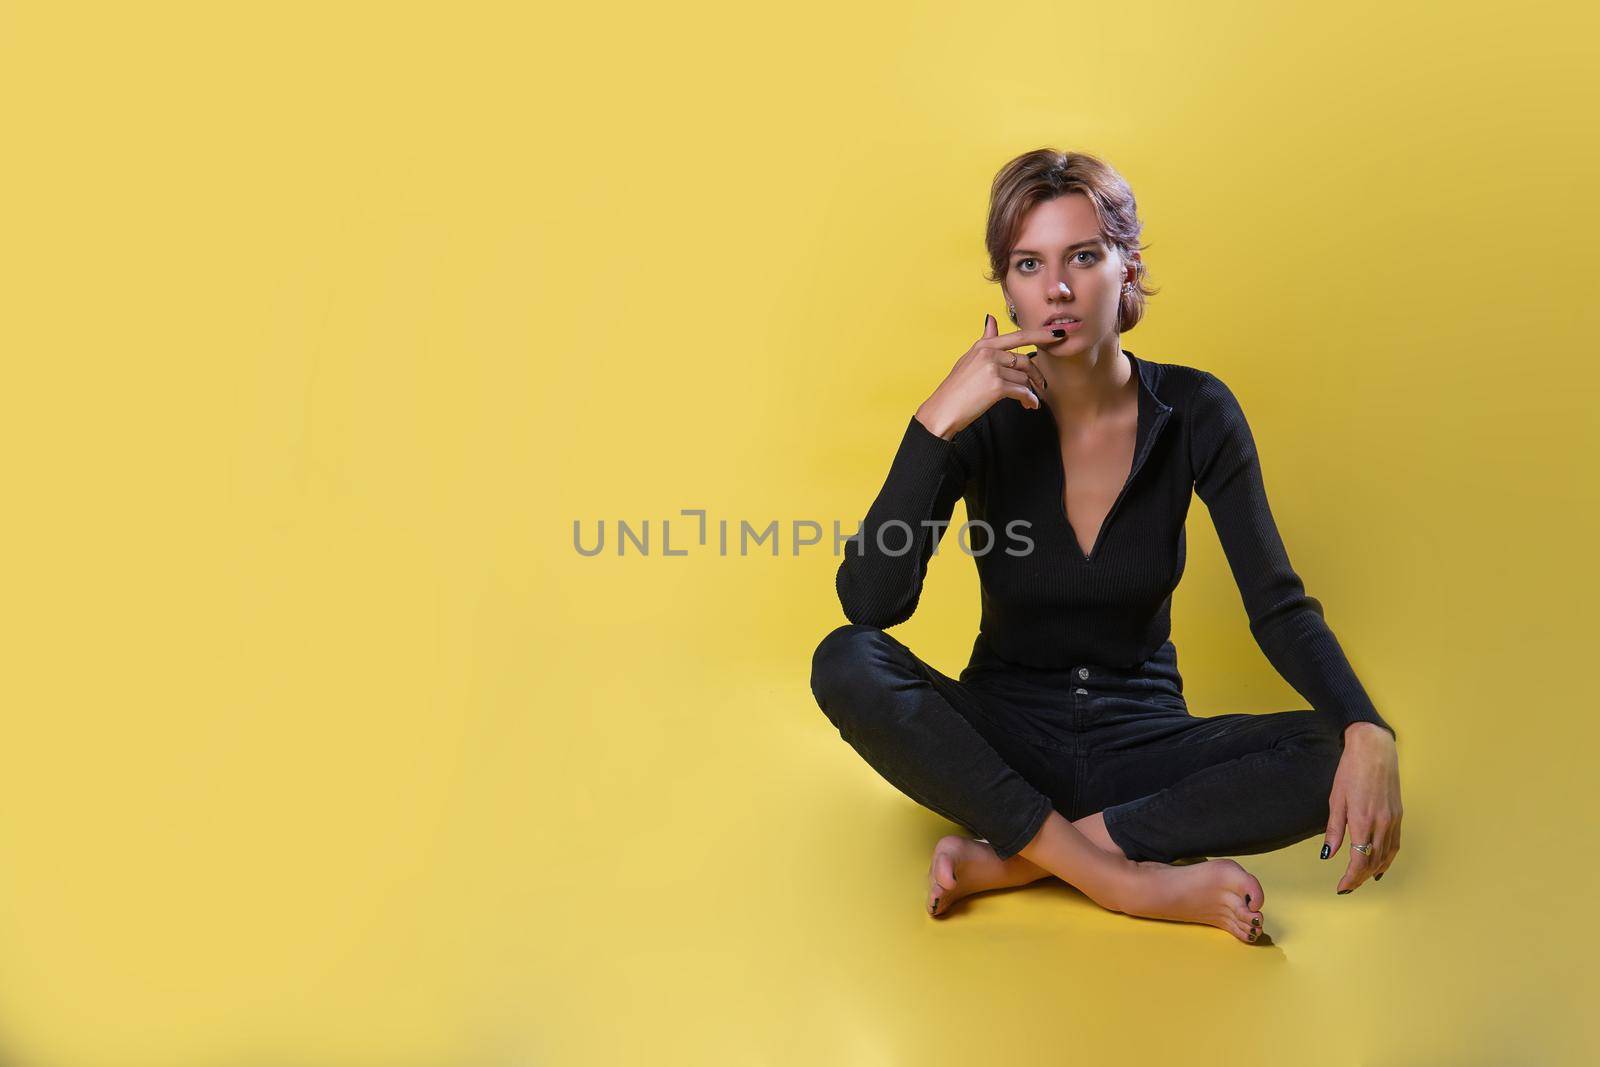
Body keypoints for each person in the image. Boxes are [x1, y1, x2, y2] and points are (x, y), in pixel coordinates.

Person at [808, 149, 1404, 945]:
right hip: (1003, 741)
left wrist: (1369, 728)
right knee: (844, 657)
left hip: (1144, 744)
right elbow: (872, 602)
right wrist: (935, 421)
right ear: (1007, 284)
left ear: (1126, 270)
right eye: (1029, 263)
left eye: (1083, 256)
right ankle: (1121, 877)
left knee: (1331, 747)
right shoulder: (981, 419)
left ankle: (1017, 859)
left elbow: (1277, 605)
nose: (1057, 287)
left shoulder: (1197, 411)